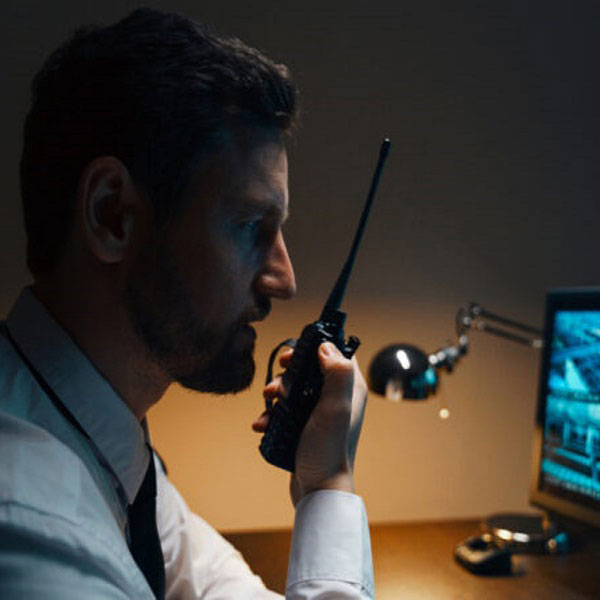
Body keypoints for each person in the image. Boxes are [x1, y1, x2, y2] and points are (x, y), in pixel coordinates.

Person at [0, 7, 374, 599]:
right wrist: (330, 485)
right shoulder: (31, 527)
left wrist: (323, 478)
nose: (284, 280)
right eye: (251, 224)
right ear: (111, 214)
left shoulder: (111, 458)